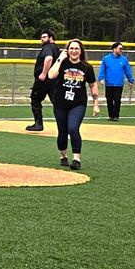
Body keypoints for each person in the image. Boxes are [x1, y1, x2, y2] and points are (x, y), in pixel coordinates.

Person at [47, 37, 99, 171]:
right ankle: (63, 155)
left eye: (76, 48)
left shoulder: (86, 67)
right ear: (67, 50)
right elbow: (51, 75)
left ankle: (76, 159)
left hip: (78, 103)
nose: (74, 51)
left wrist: (96, 103)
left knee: (73, 128)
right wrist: (60, 58)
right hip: (60, 103)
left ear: (81, 51)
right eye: (71, 48)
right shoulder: (62, 63)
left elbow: (93, 85)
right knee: (62, 131)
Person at [26, 31, 59, 131]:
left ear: (51, 37)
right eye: (41, 37)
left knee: (35, 99)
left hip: (44, 81)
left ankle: (38, 124)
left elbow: (48, 58)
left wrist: (44, 73)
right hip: (54, 80)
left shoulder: (48, 47)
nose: (42, 39)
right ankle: (64, 123)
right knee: (56, 102)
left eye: (44, 37)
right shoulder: (56, 48)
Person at [99, 40, 134, 120]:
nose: (122, 50)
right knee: (109, 100)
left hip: (119, 84)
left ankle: (116, 116)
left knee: (117, 100)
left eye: (122, 49)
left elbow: (128, 71)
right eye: (120, 48)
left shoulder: (124, 60)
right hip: (109, 84)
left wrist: (131, 80)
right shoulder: (106, 59)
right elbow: (102, 69)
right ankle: (110, 115)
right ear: (114, 49)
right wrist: (101, 78)